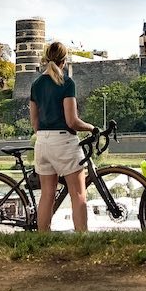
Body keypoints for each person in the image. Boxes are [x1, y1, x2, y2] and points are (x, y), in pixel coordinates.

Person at [29, 41, 96, 232]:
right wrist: (91, 128)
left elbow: (34, 122)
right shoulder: (66, 83)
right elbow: (72, 121)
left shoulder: (36, 85)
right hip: (63, 141)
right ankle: (82, 238)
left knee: (47, 195)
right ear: (64, 61)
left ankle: (43, 238)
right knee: (78, 194)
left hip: (42, 142)